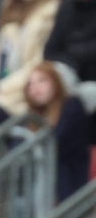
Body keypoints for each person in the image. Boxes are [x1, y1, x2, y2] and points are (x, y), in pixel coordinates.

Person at [0, 0, 59, 117]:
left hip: (24, 91)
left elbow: (38, 63)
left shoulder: (51, 12)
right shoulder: (9, 9)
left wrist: (2, 89)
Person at [24, 61, 90, 201]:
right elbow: (18, 147)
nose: (36, 88)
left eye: (42, 81)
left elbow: (56, 141)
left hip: (68, 183)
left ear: (56, 82)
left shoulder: (72, 106)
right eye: (31, 83)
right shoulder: (31, 116)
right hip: (39, 186)